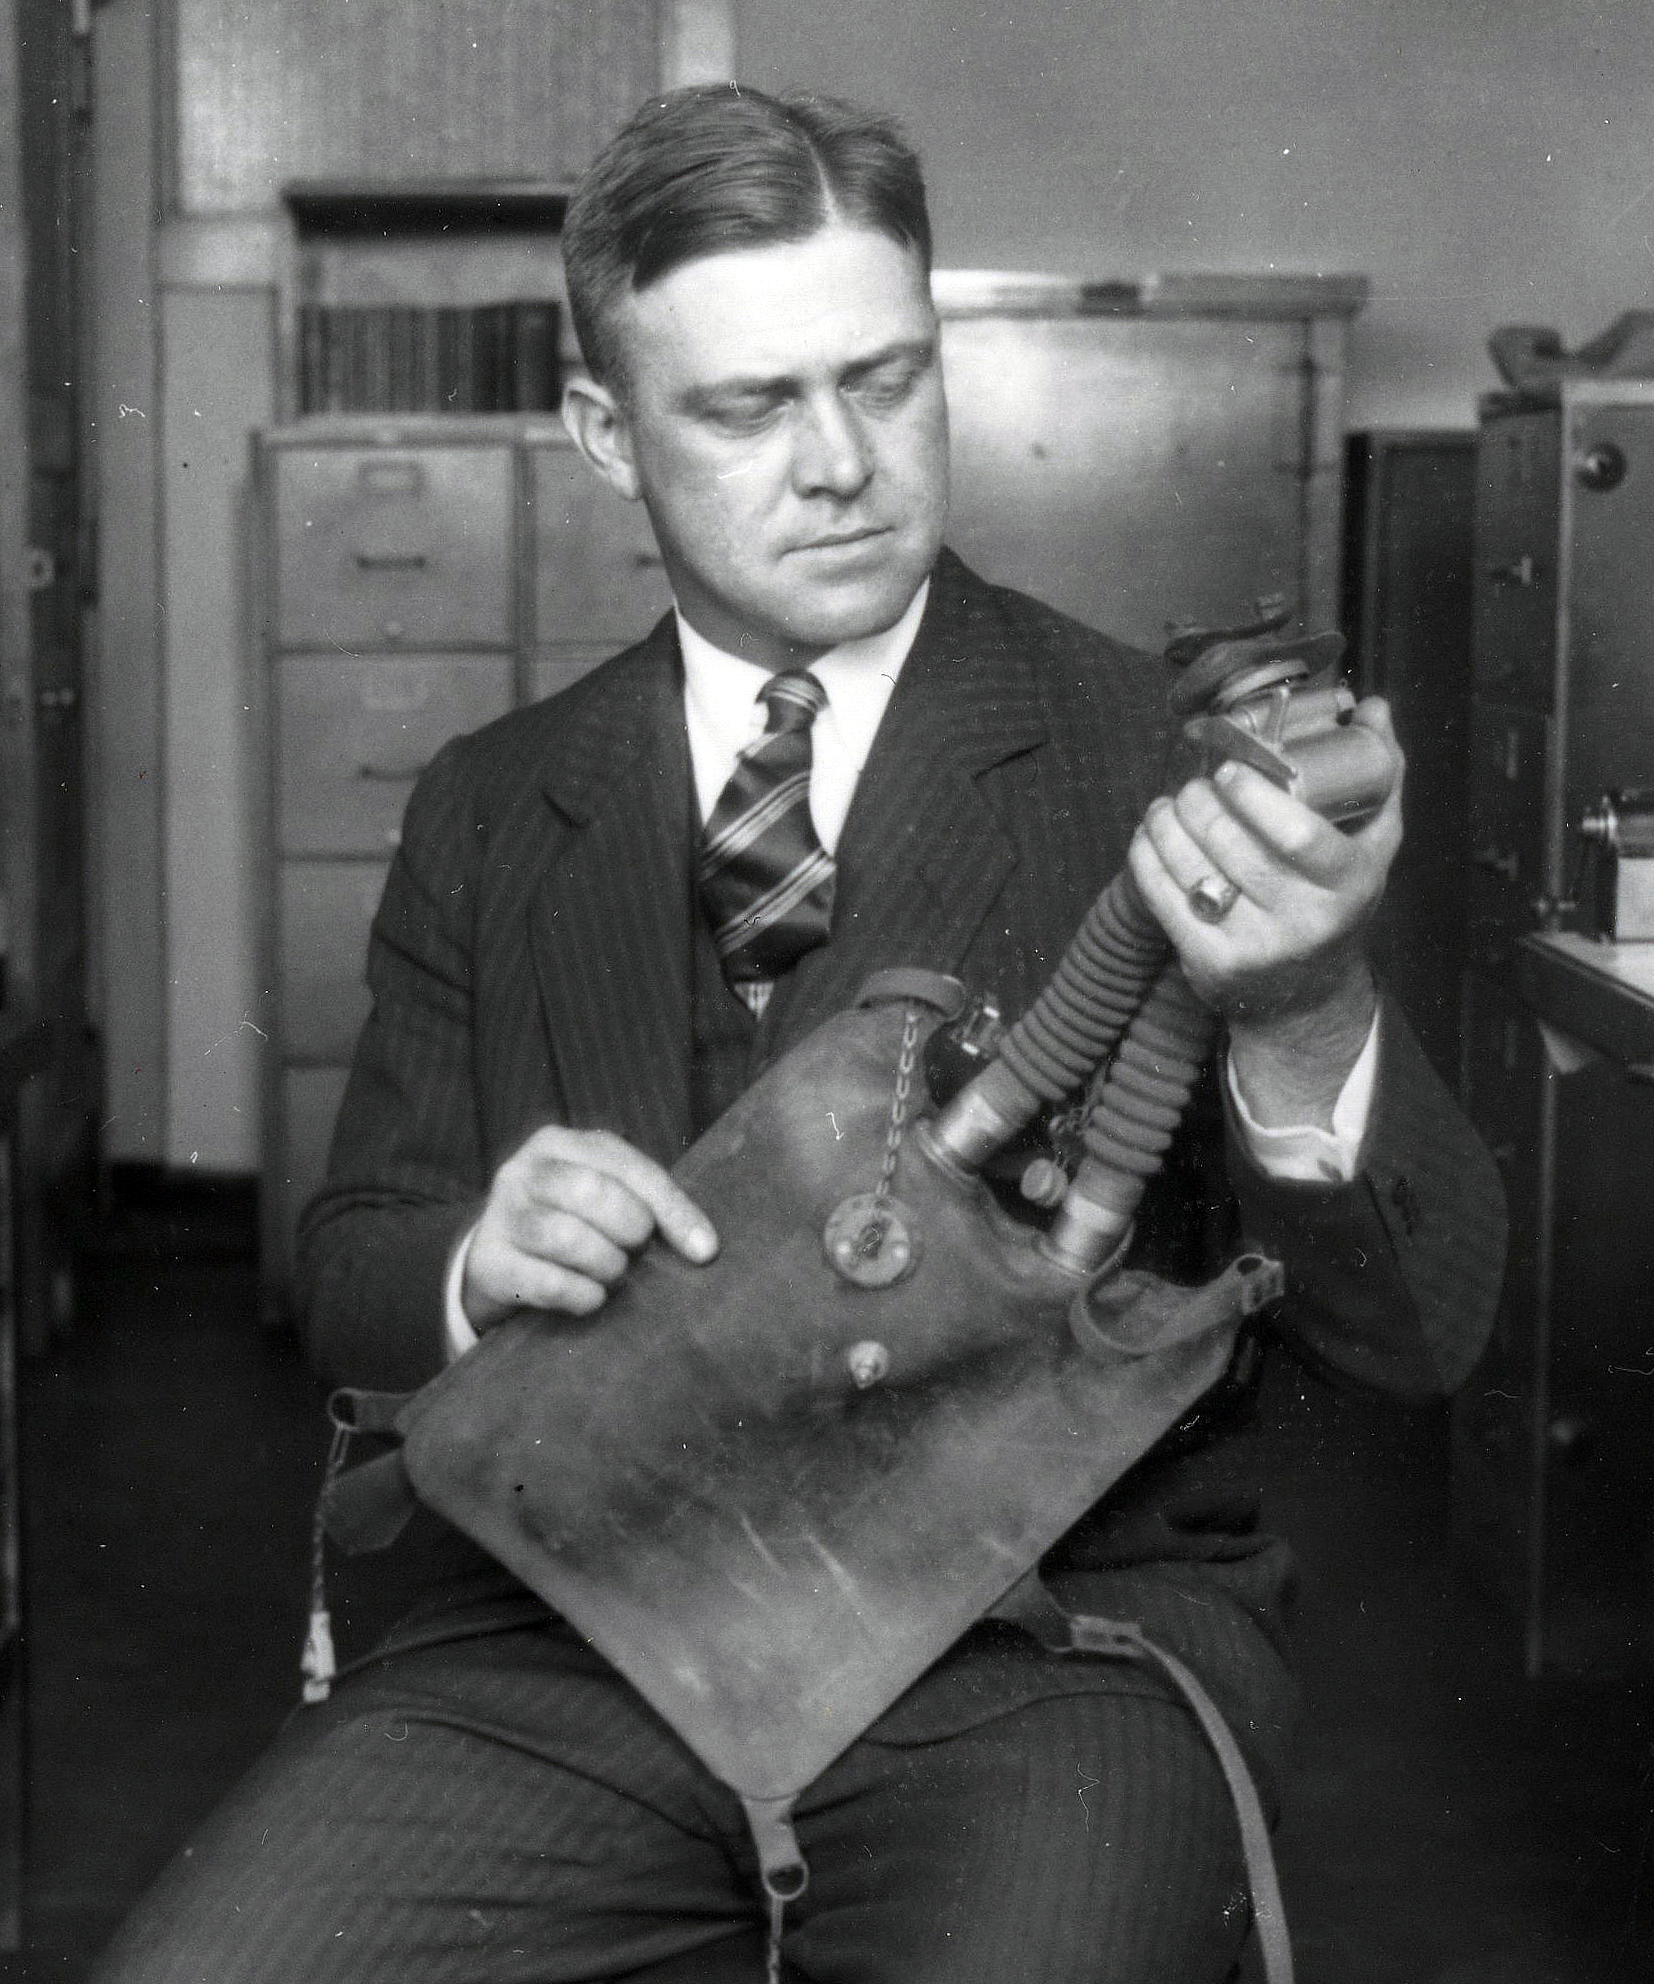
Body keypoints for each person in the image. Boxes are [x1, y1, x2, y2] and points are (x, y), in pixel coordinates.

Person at [93, 82, 1504, 1984]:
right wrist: (472, 1266)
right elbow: (355, 1265)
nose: (838, 462)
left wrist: (1302, 996)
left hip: (1039, 1655)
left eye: (883, 379)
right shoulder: (495, 807)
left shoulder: (1155, 769)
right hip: (573, 1633)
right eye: (750, 407)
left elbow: (1420, 1336)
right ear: (605, 432)